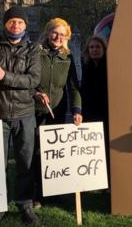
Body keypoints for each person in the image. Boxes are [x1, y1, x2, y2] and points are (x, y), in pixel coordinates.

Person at [0, 7, 41, 226]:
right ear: (5, 24)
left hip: (25, 114)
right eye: (12, 22)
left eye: (20, 22)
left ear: (26, 26)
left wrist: (4, 75)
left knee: (25, 163)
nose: (16, 25)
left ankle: (25, 204)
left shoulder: (33, 49)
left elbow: (32, 80)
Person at [32, 17, 82, 206]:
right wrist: (36, 93)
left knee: (54, 153)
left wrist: (76, 109)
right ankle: (37, 194)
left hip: (57, 111)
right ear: (47, 33)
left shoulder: (67, 57)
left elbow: (73, 87)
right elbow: (29, 79)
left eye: (62, 34)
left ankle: (53, 191)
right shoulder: (35, 53)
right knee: (36, 153)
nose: (58, 37)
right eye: (55, 32)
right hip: (36, 111)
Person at [81, 36, 110, 181]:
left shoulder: (110, 66)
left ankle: (108, 179)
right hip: (90, 115)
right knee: (93, 149)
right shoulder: (86, 66)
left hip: (107, 114)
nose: (94, 50)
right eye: (91, 47)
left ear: (104, 49)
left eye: (98, 47)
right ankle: (96, 179)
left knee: (107, 148)